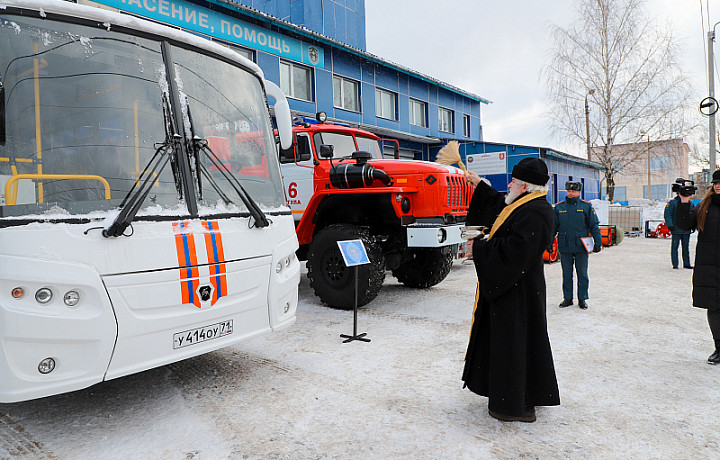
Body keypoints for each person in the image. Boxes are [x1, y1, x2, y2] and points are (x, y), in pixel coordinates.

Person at [462, 158, 560, 423]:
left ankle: (516, 405)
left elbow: (516, 252)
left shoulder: (537, 211)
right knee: (511, 344)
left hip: (519, 293)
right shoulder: (523, 204)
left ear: (525, 186)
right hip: (513, 289)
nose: (509, 185)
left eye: (513, 182)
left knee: (516, 345)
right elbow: (499, 207)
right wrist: (480, 184)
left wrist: (479, 248)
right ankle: (512, 398)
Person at [549, 181, 602, 310]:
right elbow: (553, 227)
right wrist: (549, 242)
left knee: (582, 274)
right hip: (565, 246)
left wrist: (598, 242)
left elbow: (593, 226)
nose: (570, 193)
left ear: (579, 192)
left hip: (581, 246)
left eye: (573, 191)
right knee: (567, 274)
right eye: (568, 191)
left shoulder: (586, 207)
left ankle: (582, 298)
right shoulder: (559, 207)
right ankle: (567, 298)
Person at [688, 170, 720, 365]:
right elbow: (684, 225)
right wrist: (684, 201)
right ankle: (719, 348)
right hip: (709, 265)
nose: (718, 185)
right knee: (714, 308)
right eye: (716, 183)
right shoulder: (704, 206)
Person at [664, 186, 695, 269]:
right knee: (675, 247)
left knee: (686, 248)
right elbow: (668, 215)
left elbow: (693, 215)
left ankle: (687, 263)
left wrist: (693, 225)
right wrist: (670, 225)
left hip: (686, 230)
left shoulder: (690, 203)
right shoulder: (672, 203)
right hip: (676, 229)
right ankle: (675, 264)